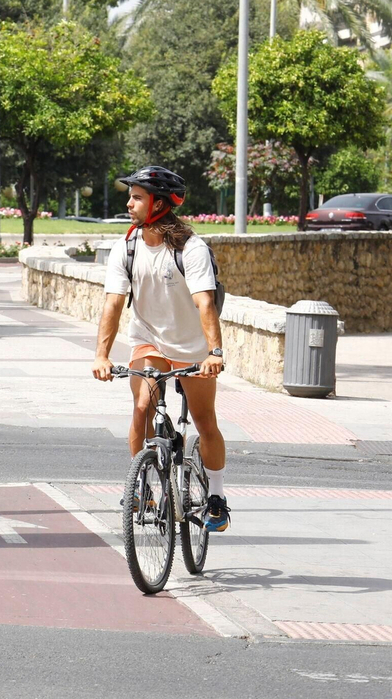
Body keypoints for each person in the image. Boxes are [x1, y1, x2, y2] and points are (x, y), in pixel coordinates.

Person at [91, 165, 231, 533]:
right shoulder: (126, 248)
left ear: (158, 204)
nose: (129, 203)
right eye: (131, 196)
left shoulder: (191, 249)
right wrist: (101, 355)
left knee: (205, 421)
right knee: (142, 406)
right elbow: (112, 304)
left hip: (192, 346)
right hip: (149, 339)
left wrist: (214, 353)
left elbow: (205, 303)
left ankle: (217, 495)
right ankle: (141, 487)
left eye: (137, 197)